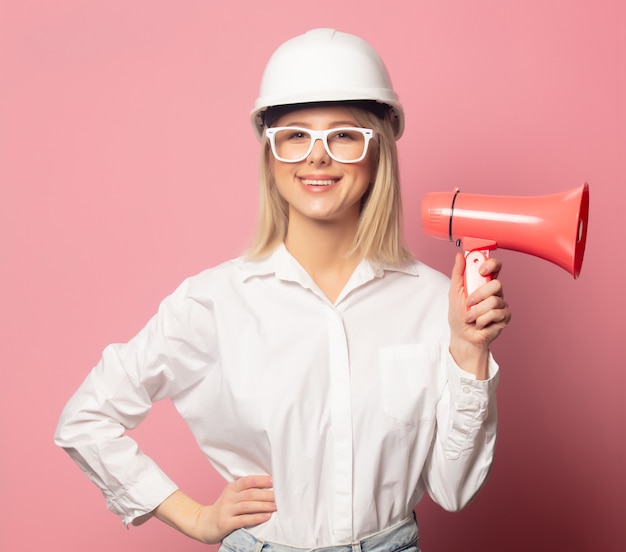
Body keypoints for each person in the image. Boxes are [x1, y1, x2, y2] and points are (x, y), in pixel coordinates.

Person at [55, 28, 511, 551]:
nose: (317, 157)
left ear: (377, 150)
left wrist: (468, 351)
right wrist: (195, 518)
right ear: (270, 156)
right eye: (294, 136)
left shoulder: (434, 302)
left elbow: (452, 491)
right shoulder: (214, 302)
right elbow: (86, 419)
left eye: (343, 135)